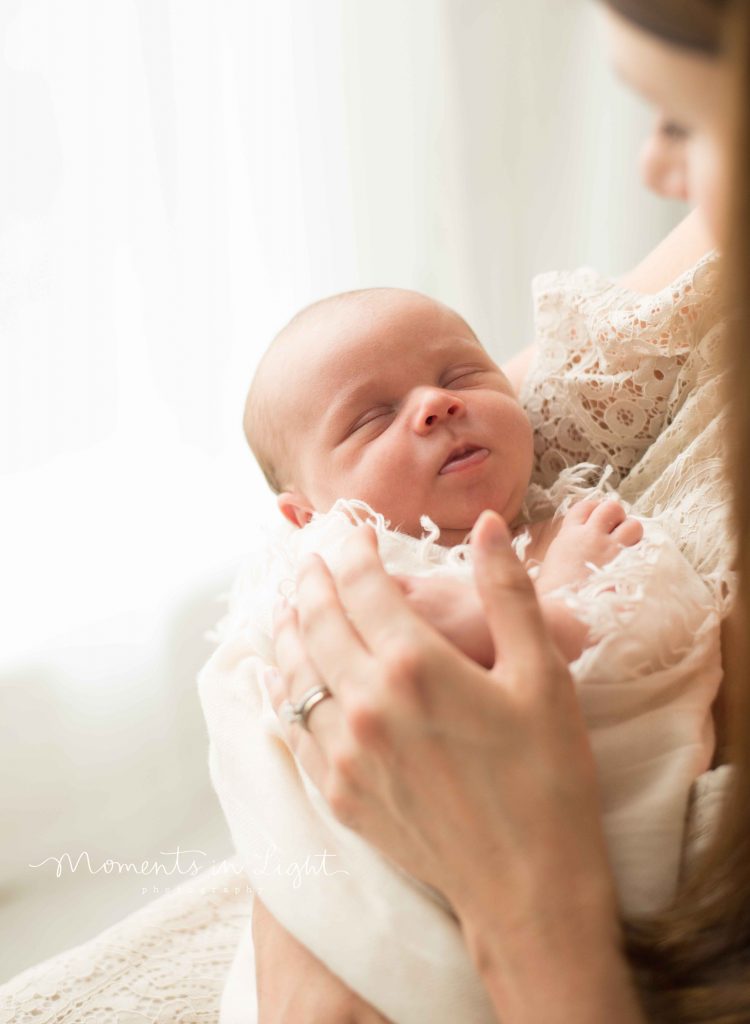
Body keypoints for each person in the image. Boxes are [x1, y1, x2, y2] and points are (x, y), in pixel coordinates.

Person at [254, 1, 749, 1021]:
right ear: (308, 512)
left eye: (686, 119)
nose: (657, 170)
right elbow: (347, 658)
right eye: (376, 417)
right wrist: (534, 588)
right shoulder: (358, 546)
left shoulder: (516, 494)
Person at [243, 285, 646, 664]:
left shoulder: (579, 525)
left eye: (460, 376)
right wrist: (562, 599)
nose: (437, 402)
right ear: (310, 517)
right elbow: (406, 698)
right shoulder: (341, 586)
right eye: (374, 418)